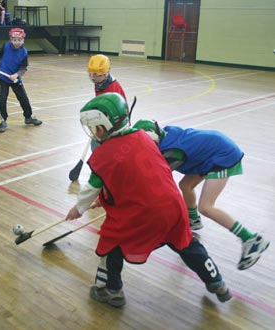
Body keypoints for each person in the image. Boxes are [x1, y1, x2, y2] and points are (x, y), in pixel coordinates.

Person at [65, 92, 231, 307]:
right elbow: (134, 179)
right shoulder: (144, 137)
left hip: (144, 215)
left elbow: (91, 188)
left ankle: (111, 290)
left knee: (111, 242)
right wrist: (105, 197)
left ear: (102, 126)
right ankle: (217, 282)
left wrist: (78, 208)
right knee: (186, 243)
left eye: (93, 127)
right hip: (173, 207)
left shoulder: (103, 156)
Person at [132, 119, 270, 270]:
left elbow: (156, 177)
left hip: (222, 155)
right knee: (185, 185)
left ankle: (251, 239)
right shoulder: (163, 136)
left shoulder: (173, 152)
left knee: (206, 207)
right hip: (210, 152)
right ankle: (193, 219)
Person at [0, 27, 42, 133]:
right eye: (14, 40)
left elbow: (24, 68)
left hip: (15, 79)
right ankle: (3, 121)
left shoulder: (24, 52)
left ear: (23, 40)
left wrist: (16, 75)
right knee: (2, 98)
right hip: (3, 78)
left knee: (23, 98)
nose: (16, 42)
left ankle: (28, 117)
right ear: (10, 39)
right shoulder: (5, 46)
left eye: (19, 40)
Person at [88, 54, 128, 150]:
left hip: (116, 125)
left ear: (105, 74)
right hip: (104, 123)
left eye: (96, 75)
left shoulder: (112, 89)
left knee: (97, 146)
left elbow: (118, 113)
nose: (93, 78)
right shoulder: (100, 83)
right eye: (91, 74)